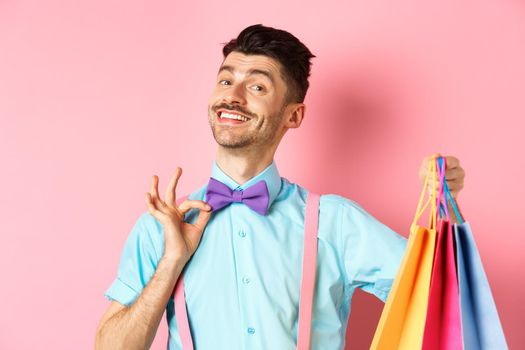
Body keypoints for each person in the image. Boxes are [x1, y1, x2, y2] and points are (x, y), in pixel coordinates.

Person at [95, 24, 466, 350]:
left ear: (294, 115)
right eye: (226, 80)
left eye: (256, 85)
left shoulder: (334, 222)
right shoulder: (161, 228)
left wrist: (441, 202)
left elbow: (446, 299)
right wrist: (171, 261)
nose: (232, 96)